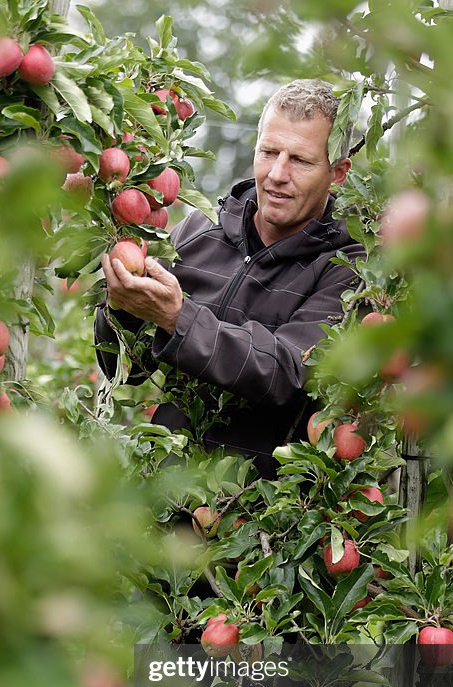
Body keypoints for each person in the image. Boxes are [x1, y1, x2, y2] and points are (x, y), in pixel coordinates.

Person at [94, 79, 364, 478]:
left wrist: (177, 318)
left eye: (300, 160)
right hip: (163, 504)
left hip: (261, 521)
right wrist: (123, 308)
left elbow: (287, 372)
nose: (276, 174)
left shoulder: (345, 267)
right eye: (268, 152)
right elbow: (126, 369)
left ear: (338, 173)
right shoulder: (198, 233)